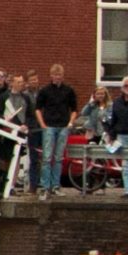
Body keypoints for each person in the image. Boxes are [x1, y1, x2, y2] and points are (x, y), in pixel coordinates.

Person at [32, 63, 78, 196]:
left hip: (63, 127)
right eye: (55, 75)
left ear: (62, 76)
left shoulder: (69, 91)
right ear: (51, 76)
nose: (57, 77)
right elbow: (38, 109)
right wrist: (42, 124)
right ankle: (45, 186)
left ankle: (56, 186)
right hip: (49, 127)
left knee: (58, 158)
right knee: (47, 157)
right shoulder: (45, 91)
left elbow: (74, 109)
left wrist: (70, 123)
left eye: (59, 75)